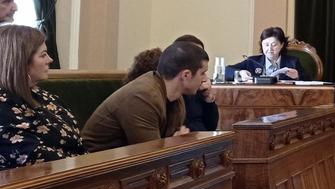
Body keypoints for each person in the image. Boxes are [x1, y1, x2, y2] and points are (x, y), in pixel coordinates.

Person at [82, 41, 209, 152]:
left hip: (127, 164)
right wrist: (173, 143)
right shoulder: (142, 96)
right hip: (94, 166)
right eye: (202, 73)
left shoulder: (176, 98)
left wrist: (173, 142)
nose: (205, 79)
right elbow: (151, 157)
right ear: (186, 75)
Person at [0, 25, 85, 169]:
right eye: (43, 55)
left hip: (73, 173)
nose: (50, 59)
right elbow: (31, 157)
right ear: (22, 61)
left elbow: (77, 140)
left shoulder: (45, 96)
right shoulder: (3, 104)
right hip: (32, 184)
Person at [174, 35, 220, 132]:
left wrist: (208, 99)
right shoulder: (173, 87)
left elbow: (211, 126)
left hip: (202, 138)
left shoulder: (200, 83)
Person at [226, 26, 304, 81]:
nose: (269, 49)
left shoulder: (293, 62)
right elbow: (227, 70)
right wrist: (240, 73)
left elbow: (310, 80)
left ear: (282, 45)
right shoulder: (252, 62)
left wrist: (298, 76)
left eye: (274, 45)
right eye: (266, 45)